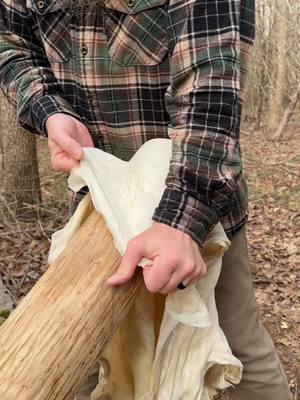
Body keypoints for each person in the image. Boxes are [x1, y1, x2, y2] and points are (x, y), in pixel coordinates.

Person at [0, 0, 292, 398]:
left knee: (239, 347)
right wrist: (48, 109)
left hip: (198, 200)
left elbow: (211, 85)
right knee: (84, 354)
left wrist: (180, 223)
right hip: (98, 204)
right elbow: (11, 41)